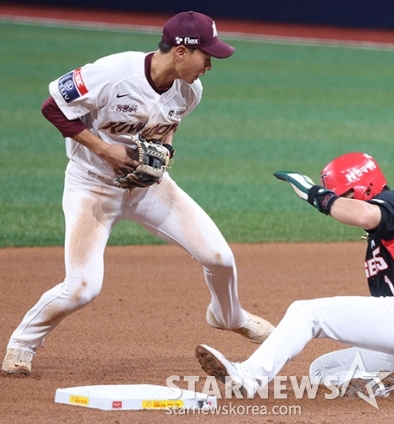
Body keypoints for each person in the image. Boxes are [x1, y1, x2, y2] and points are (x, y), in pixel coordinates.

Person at [2, 11, 274, 376]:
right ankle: (22, 344)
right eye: (206, 55)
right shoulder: (114, 73)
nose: (210, 64)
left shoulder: (190, 91)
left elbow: (165, 132)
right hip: (93, 186)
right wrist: (106, 151)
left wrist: (164, 154)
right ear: (180, 52)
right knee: (82, 288)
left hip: (149, 189)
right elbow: (52, 108)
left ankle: (229, 316)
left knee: (220, 259)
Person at [195, 152, 394, 398]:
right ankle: (372, 384)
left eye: (343, 196)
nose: (341, 204)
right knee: (324, 370)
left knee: (305, 313)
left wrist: (316, 195)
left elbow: (363, 214)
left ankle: (249, 377)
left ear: (361, 188)